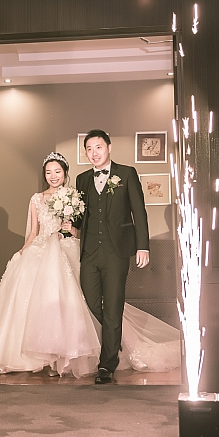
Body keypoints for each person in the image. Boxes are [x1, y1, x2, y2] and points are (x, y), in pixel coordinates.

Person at [0, 152, 179, 379]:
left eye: (57, 171)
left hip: (66, 246)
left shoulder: (74, 195)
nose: (53, 176)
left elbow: (83, 227)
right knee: (35, 301)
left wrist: (71, 229)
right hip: (41, 247)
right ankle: (40, 356)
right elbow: (33, 231)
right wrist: (24, 250)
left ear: (65, 173)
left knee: (74, 301)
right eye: (48, 172)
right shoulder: (36, 199)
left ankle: (69, 357)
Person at [74, 129, 151, 385]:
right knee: (91, 301)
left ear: (109, 147)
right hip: (89, 251)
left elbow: (139, 211)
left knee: (114, 305)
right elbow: (81, 215)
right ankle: (114, 339)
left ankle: (106, 364)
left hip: (116, 252)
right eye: (89, 149)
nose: (94, 153)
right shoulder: (82, 179)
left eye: (98, 147)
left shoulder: (126, 174)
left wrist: (143, 246)